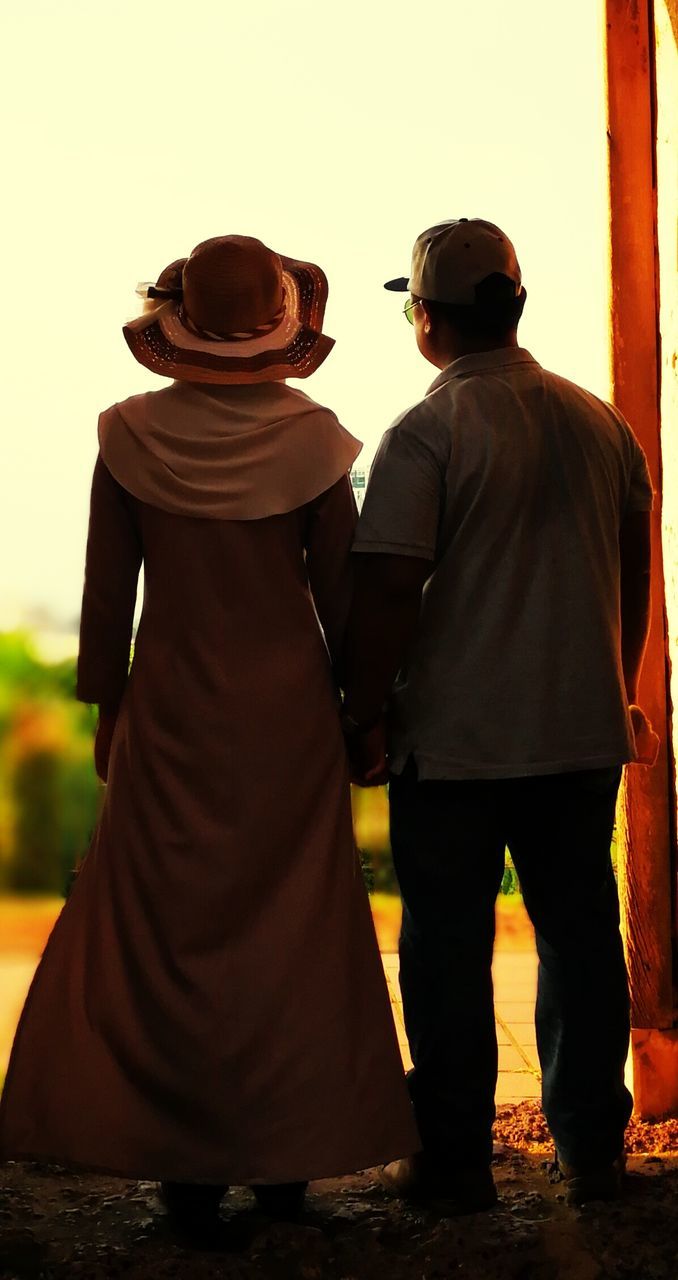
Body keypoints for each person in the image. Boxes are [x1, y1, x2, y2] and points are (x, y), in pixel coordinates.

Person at [0, 235, 418, 1234]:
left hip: (172, 714)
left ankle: (184, 1176)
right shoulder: (317, 443)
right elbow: (343, 605)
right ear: (282, 325)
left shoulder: (128, 438)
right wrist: (366, 717)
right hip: (288, 724)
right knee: (292, 940)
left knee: (170, 940)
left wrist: (108, 711)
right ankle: (283, 1175)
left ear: (178, 326)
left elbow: (109, 604)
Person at [341, 218, 655, 1210]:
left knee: (445, 944)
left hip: (457, 738)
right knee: (579, 934)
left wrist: (361, 709)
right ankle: (591, 1153)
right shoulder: (601, 421)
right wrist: (616, 683)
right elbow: (635, 577)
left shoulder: (425, 432)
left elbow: (391, 589)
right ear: (515, 305)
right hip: (578, 732)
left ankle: (452, 1159)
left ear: (426, 318)